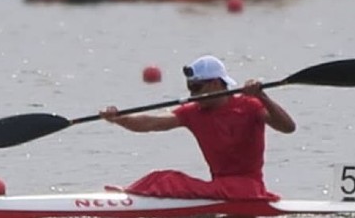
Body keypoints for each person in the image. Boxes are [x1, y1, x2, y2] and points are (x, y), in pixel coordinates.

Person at [100, 55, 296, 200]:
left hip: (247, 188)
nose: (192, 94)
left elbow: (288, 127)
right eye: (189, 87)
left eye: (196, 87)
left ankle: (132, 196)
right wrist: (119, 118)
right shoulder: (193, 112)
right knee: (160, 177)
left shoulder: (250, 105)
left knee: (167, 181)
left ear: (216, 84)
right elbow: (151, 123)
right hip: (220, 187)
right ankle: (132, 194)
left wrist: (263, 97)